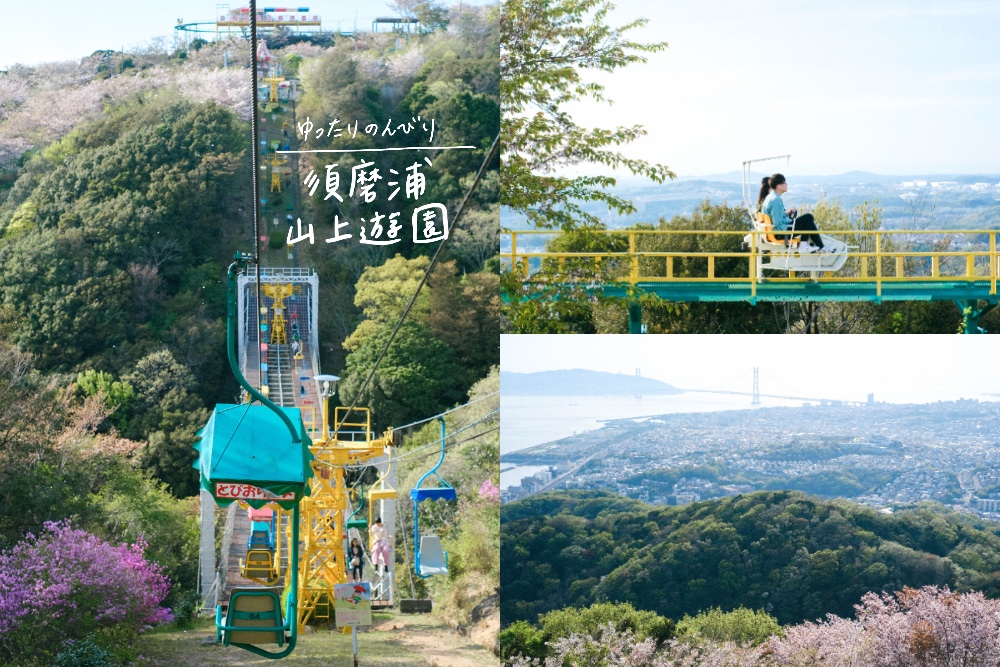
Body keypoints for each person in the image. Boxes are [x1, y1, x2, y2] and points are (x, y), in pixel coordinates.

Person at [757, 173, 825, 251]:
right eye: (784, 183)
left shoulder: (771, 197)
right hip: (781, 234)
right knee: (809, 217)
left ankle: (822, 247)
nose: (786, 184)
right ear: (778, 186)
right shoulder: (775, 200)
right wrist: (791, 224)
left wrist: (788, 217)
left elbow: (776, 217)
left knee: (809, 222)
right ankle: (805, 245)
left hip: (776, 231)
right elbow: (778, 224)